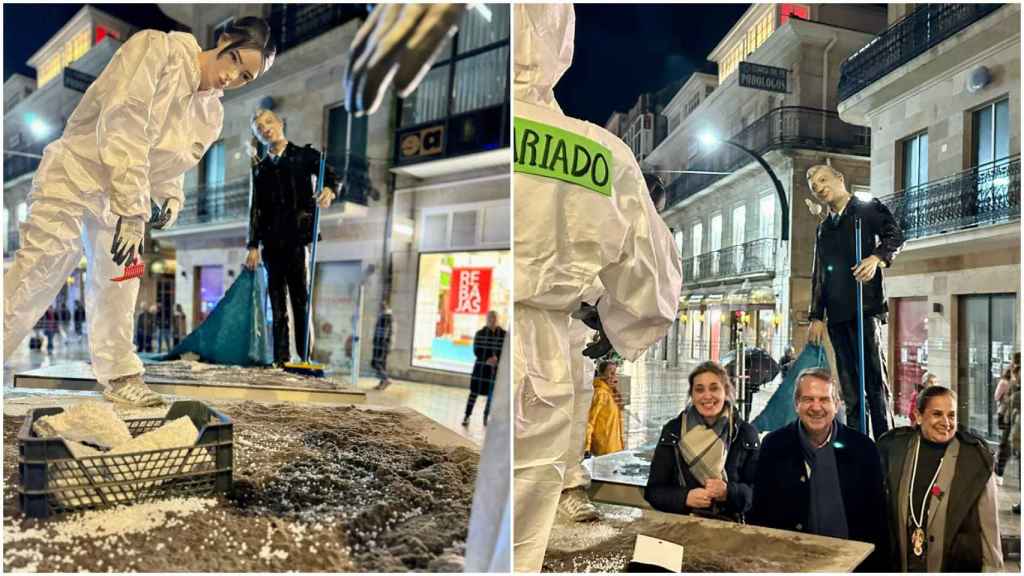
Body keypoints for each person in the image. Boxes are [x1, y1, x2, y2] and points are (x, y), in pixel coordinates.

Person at [2, 18, 275, 407]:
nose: (231, 76)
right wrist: (133, 210)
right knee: (41, 267)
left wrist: (172, 197)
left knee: (122, 280)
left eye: (245, 76)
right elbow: (124, 124)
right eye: (234, 59)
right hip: (77, 172)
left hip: (122, 197)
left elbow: (172, 161)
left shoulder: (210, 116)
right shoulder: (156, 50)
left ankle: (120, 375)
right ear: (224, 39)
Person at [512, 5, 682, 571]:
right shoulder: (600, 153)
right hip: (540, 355)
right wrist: (611, 330)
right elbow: (651, 286)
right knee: (521, 523)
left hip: (466, 338)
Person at [749, 367, 888, 571]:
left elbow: (878, 521)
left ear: (837, 404)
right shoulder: (774, 446)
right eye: (808, 399)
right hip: (790, 566)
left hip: (853, 566)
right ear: (796, 404)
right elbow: (759, 515)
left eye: (824, 399)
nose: (816, 407)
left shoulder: (863, 449)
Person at [806, 164, 904, 438]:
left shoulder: (867, 208)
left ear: (839, 178)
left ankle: (885, 443)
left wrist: (877, 258)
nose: (820, 188)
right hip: (837, 315)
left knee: (874, 382)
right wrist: (816, 316)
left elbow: (895, 235)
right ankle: (855, 443)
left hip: (865, 308)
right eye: (815, 187)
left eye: (823, 180)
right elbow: (819, 273)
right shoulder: (823, 228)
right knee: (849, 388)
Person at [242, 108, 338, 367]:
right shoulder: (260, 169)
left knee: (300, 299)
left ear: (281, 123)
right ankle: (281, 359)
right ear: (258, 136)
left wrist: (329, 188)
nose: (265, 128)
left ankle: (305, 357)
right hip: (271, 243)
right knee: (276, 303)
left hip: (297, 240)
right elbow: (255, 209)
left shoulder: (303, 155)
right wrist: (253, 244)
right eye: (259, 128)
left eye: (268, 122)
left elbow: (330, 172)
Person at [877, 386, 1003, 571]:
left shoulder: (975, 461)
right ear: (918, 416)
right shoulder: (896, 449)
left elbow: (990, 531)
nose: (946, 422)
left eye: (951, 415)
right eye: (937, 414)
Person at [645, 361, 759, 522]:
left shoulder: (745, 434)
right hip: (680, 527)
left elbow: (759, 494)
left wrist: (729, 492)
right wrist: (684, 498)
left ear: (725, 391)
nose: (707, 396)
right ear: (692, 395)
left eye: (714, 388)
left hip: (731, 531)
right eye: (699, 389)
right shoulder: (673, 431)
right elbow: (653, 491)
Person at [464, 311, 506, 426]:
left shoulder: (504, 334)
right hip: (481, 368)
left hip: (495, 370)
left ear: (498, 319)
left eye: (494, 317)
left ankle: (486, 416)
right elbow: (476, 350)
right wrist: (487, 359)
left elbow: (506, 351)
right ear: (486, 319)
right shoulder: (480, 333)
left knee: (491, 395)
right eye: (490, 317)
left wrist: (497, 359)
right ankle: (467, 416)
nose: (492, 319)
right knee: (474, 393)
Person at [585, 360, 626, 458]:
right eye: (611, 373)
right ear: (602, 374)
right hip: (604, 450)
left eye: (615, 373)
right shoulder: (600, 393)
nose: (614, 377)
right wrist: (586, 447)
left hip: (614, 448)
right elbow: (590, 421)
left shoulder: (611, 393)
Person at [994, 352, 1019, 481]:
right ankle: (999, 470)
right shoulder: (1006, 382)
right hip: (1006, 416)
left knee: (1007, 444)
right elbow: (997, 396)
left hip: (1012, 417)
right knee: (1005, 444)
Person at [371, 304, 394, 390]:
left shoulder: (386, 317)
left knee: (375, 363)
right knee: (382, 364)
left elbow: (384, 332)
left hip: (381, 345)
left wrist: (380, 343)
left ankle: (385, 379)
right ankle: (382, 383)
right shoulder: (387, 317)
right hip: (383, 344)